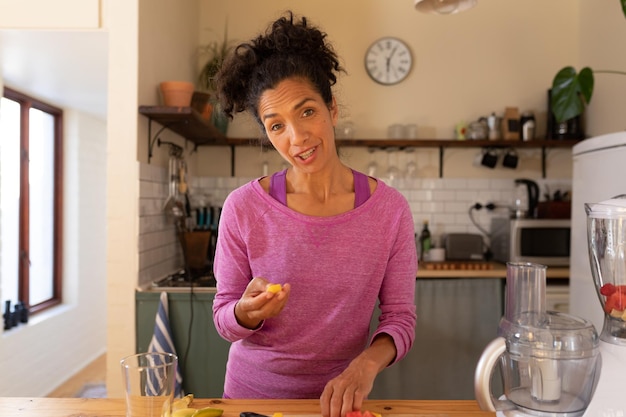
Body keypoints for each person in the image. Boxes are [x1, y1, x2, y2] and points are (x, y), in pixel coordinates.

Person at [212, 11, 417, 417]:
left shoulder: (389, 211)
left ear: (332, 109)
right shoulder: (243, 208)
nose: (297, 137)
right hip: (252, 399)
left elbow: (400, 319)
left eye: (306, 112)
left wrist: (366, 364)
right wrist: (245, 313)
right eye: (276, 126)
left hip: (339, 403)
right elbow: (224, 316)